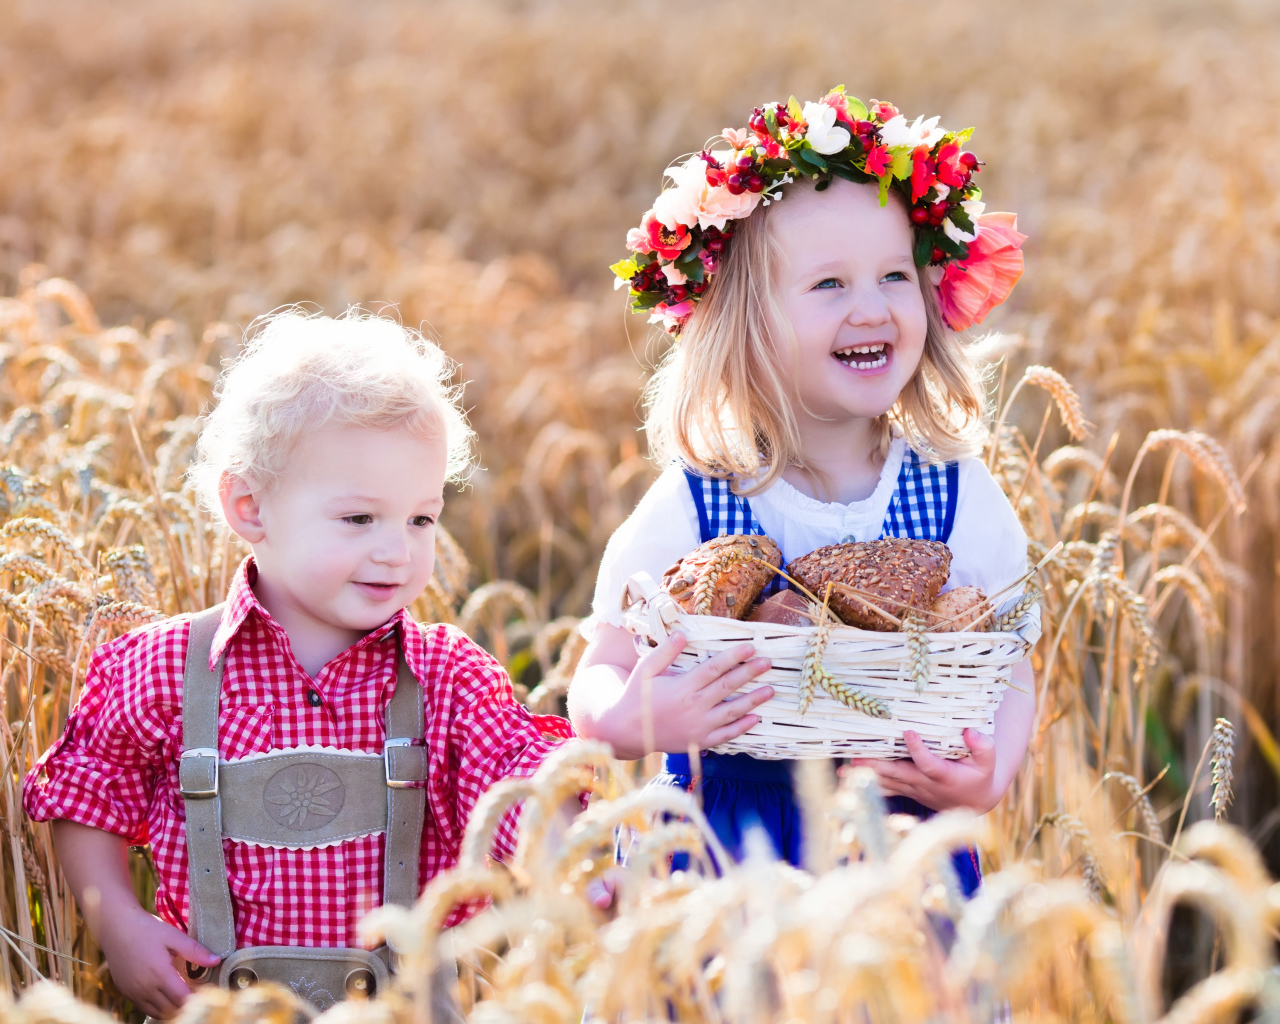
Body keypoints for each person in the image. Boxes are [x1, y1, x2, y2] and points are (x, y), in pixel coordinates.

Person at [24, 312, 575, 1019]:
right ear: (250, 507)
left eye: (421, 519)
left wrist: (573, 863)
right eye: (359, 520)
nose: (397, 551)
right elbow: (85, 796)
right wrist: (118, 925)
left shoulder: (445, 677)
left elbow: (519, 783)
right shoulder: (165, 669)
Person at [569, 89, 1033, 887]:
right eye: (829, 285)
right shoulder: (702, 503)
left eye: (894, 275)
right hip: (722, 842)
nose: (872, 309)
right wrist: (629, 719)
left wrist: (990, 771)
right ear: (745, 322)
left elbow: (1009, 663)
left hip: (898, 837)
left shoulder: (955, 492)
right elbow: (602, 664)